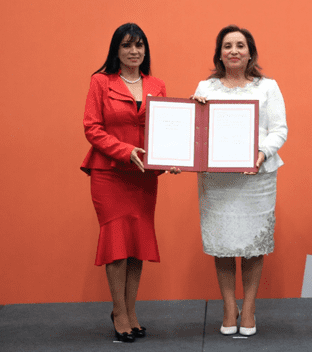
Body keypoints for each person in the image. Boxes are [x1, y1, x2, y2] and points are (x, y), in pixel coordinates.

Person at [190, 25, 287, 337]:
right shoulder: (205, 88)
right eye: (228, 45)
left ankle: (249, 307)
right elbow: (196, 131)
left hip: (255, 177)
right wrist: (195, 115)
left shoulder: (268, 87)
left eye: (240, 46)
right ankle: (229, 306)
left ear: (250, 53)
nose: (234, 51)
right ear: (219, 53)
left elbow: (279, 130)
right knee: (223, 243)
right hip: (217, 181)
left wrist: (261, 152)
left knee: (252, 244)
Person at [81, 23, 175, 343]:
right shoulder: (100, 82)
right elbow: (92, 129)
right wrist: (126, 151)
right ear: (116, 51)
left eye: (139, 46)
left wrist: (173, 157)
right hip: (110, 173)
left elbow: (165, 131)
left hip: (144, 178)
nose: (134, 51)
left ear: (145, 51)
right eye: (127, 46)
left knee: (136, 245)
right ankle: (118, 312)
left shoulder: (157, 85)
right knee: (117, 245)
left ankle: (131, 311)